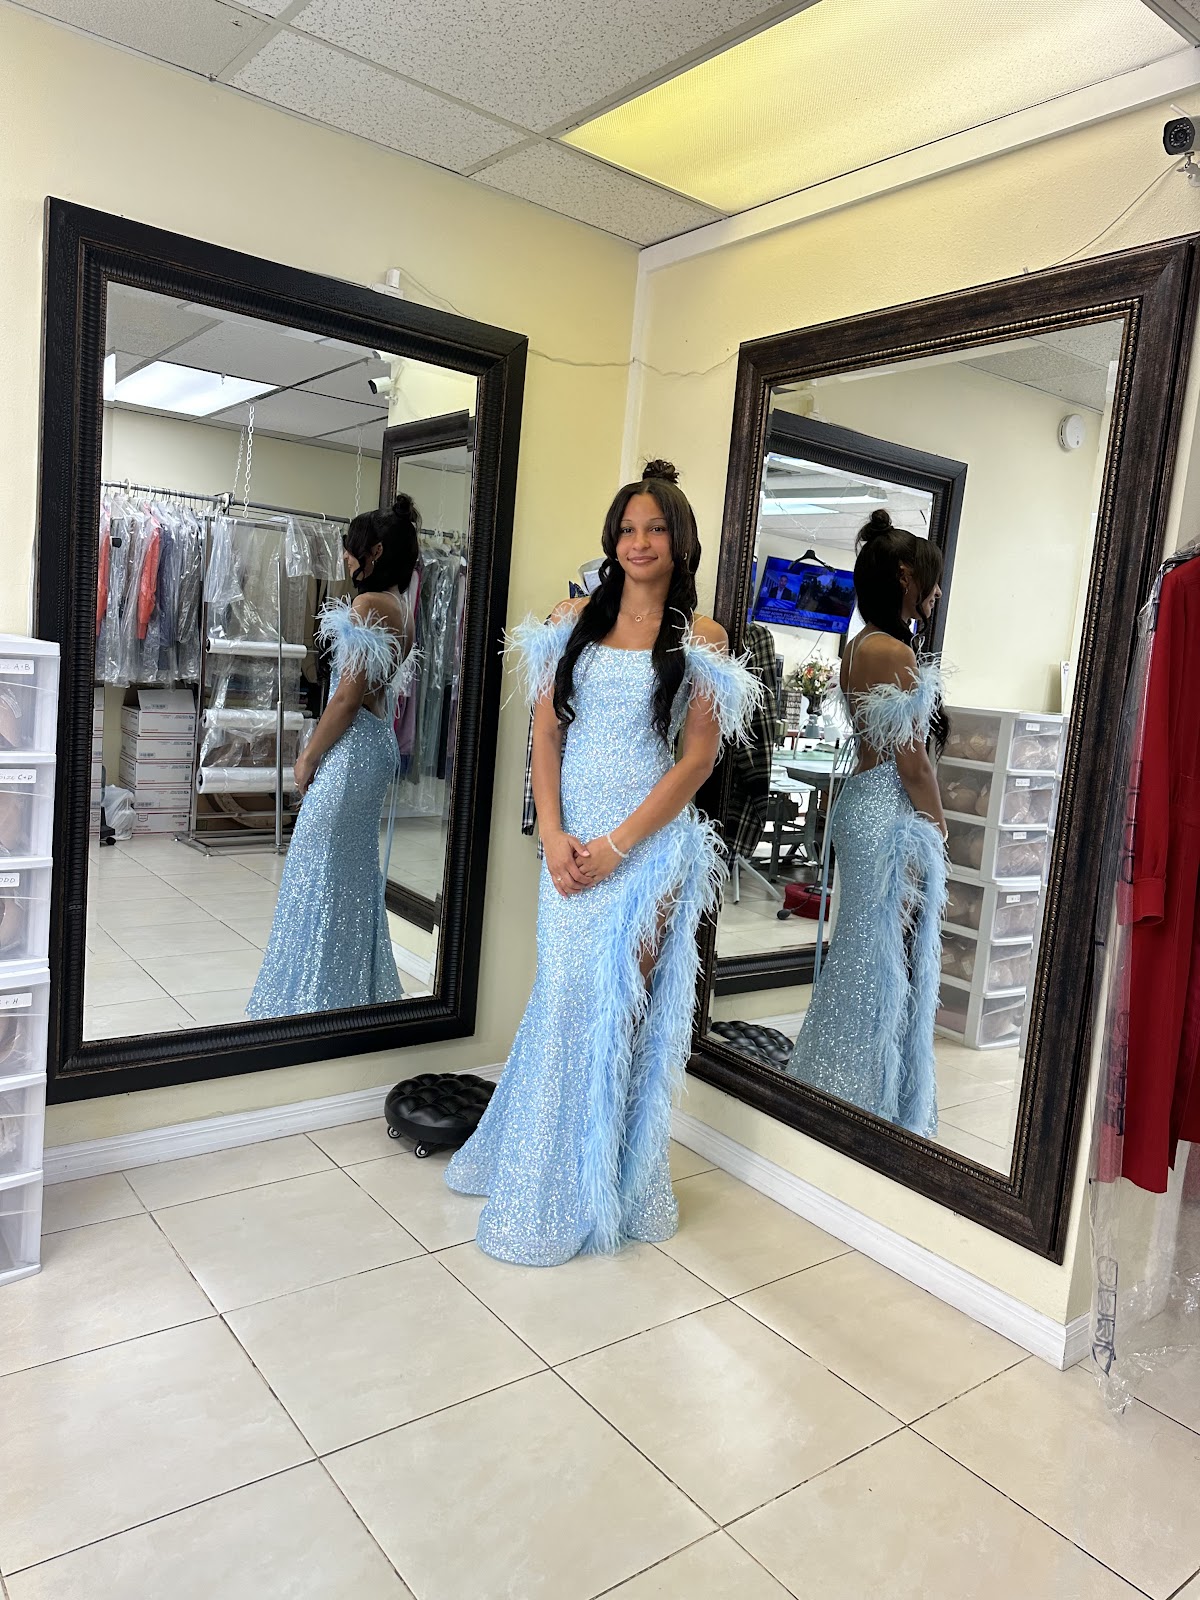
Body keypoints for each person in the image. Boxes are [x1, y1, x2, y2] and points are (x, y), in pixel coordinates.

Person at [446, 460, 761, 1266]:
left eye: (654, 529)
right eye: (627, 529)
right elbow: (545, 734)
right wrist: (553, 835)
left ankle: (602, 1188)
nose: (639, 542)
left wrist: (618, 847)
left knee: (617, 1015)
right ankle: (539, 1174)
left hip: (647, 855)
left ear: (680, 541)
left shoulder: (702, 638)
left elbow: (697, 761)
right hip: (570, 848)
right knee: (561, 1000)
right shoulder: (573, 619)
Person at [785, 508, 948, 1137]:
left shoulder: (858, 646)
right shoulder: (894, 651)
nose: (936, 592)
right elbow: (914, 763)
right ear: (905, 577)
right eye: (930, 579)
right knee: (882, 956)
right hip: (889, 812)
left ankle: (835, 1078)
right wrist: (938, 832)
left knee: (860, 947)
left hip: (862, 801)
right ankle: (863, 1092)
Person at [246, 496, 419, 1019]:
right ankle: (349, 995)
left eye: (351, 549)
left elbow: (347, 696)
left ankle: (316, 999)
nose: (345, 558)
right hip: (373, 743)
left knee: (319, 870)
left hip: (353, 748)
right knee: (350, 873)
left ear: (375, 552)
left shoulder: (369, 606)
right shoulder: (402, 610)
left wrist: (307, 756)